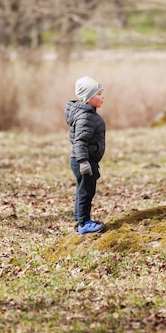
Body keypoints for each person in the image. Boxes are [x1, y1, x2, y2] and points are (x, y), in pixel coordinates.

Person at [65, 76, 106, 234]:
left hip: (85, 160)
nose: (102, 97)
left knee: (82, 189)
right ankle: (84, 224)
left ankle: (79, 220)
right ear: (88, 98)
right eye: (98, 94)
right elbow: (80, 142)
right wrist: (83, 162)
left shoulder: (88, 114)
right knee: (86, 191)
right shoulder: (86, 118)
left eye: (102, 93)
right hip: (84, 161)